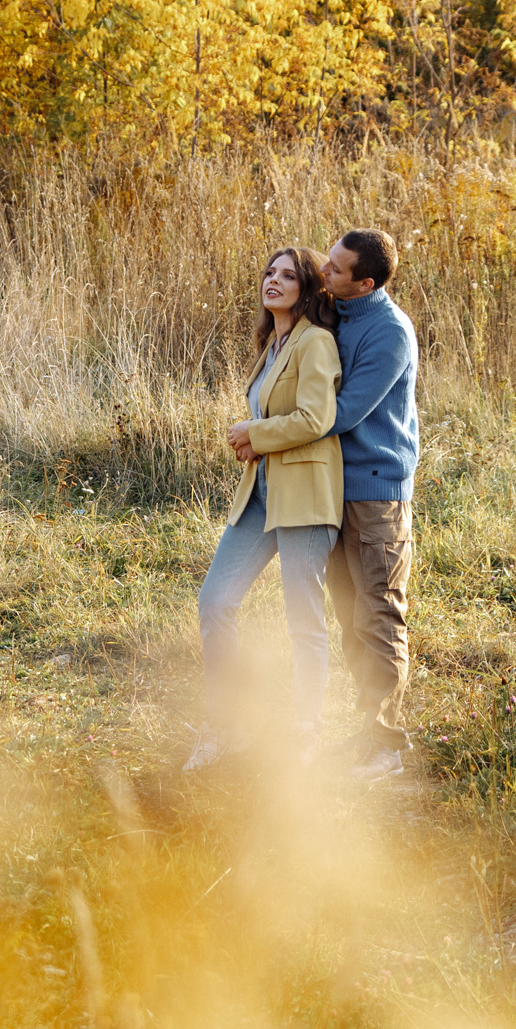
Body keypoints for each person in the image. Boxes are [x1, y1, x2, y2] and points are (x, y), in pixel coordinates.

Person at [186, 247, 344, 771]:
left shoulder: (315, 343)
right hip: (259, 496)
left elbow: (316, 417)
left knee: (304, 620)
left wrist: (256, 433)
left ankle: (305, 733)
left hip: (304, 495)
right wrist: (256, 439)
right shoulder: (272, 345)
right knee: (215, 600)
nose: (274, 281)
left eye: (288, 275)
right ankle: (225, 724)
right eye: (269, 273)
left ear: (308, 288)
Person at [321, 228, 420, 779]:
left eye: (336, 269)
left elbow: (346, 411)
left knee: (378, 612)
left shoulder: (388, 332)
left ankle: (385, 747)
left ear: (366, 282)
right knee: (347, 613)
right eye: (327, 260)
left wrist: (270, 432)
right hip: (336, 487)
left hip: (377, 492)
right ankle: (366, 730)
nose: (324, 272)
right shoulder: (339, 312)